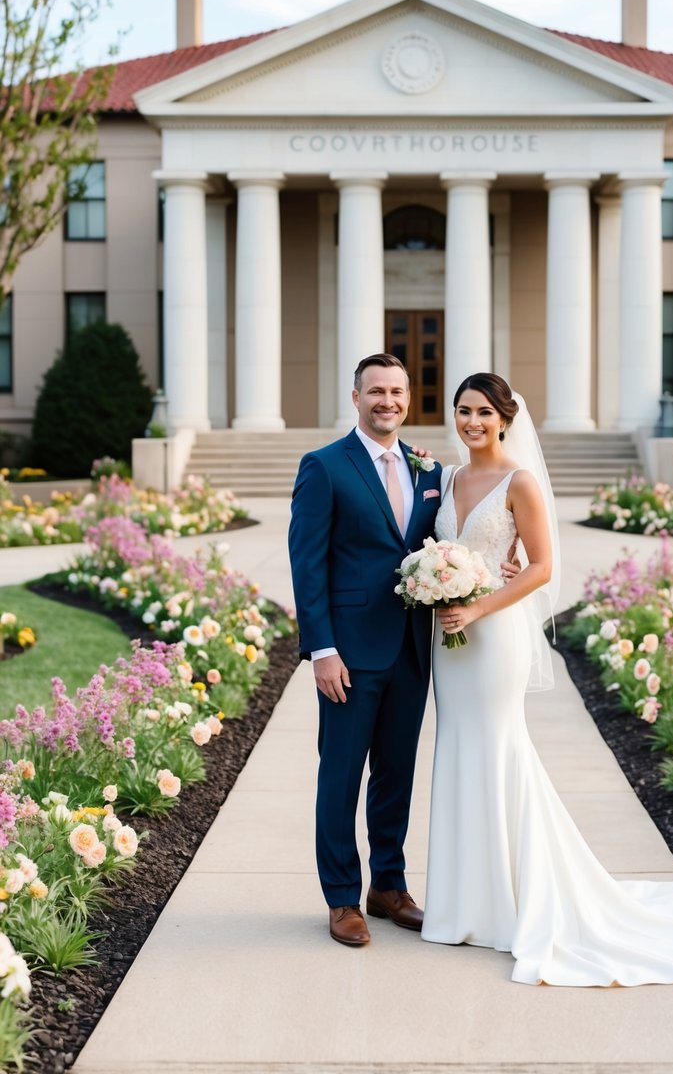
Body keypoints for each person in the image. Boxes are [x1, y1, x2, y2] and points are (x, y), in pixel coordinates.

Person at [421, 371, 673, 986]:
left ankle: (511, 908)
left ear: (505, 417)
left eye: (483, 411)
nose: (472, 422)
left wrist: (478, 605)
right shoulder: (446, 478)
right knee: (457, 752)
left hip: (493, 636)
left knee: (498, 750)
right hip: (449, 642)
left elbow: (540, 569)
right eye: (463, 410)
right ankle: (462, 907)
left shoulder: (521, 482)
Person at [288, 353, 443, 947]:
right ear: (356, 397)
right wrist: (321, 649)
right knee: (342, 776)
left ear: (408, 398)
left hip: (411, 649)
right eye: (376, 391)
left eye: (397, 392)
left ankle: (389, 887)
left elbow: (442, 543)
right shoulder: (325, 466)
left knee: (396, 775)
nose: (388, 402)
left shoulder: (426, 468)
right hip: (349, 655)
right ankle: (341, 899)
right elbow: (308, 564)